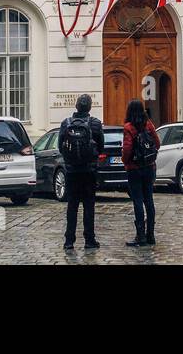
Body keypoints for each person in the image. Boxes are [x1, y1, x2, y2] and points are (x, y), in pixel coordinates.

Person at [58, 93, 103, 251]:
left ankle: (69, 241)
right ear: (90, 107)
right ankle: (89, 240)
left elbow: (60, 147)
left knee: (72, 206)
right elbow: (101, 147)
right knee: (89, 206)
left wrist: (71, 160)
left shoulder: (66, 123)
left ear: (76, 106)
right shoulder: (95, 124)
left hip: (71, 171)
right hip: (89, 171)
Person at [122, 99, 160, 247]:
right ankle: (151, 235)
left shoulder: (129, 127)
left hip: (134, 168)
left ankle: (140, 236)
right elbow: (157, 143)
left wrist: (126, 162)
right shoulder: (149, 124)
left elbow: (127, 149)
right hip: (149, 167)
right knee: (149, 200)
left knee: (137, 201)